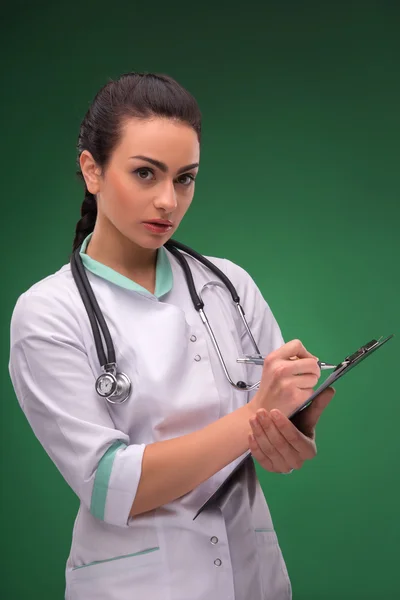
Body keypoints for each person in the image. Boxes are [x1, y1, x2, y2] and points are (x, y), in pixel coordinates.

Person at [8, 72, 335, 600]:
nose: (168, 201)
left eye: (185, 178)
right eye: (145, 174)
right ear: (92, 169)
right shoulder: (47, 314)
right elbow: (110, 485)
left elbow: (275, 433)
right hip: (135, 584)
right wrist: (254, 417)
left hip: (252, 577)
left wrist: (292, 431)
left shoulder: (228, 286)